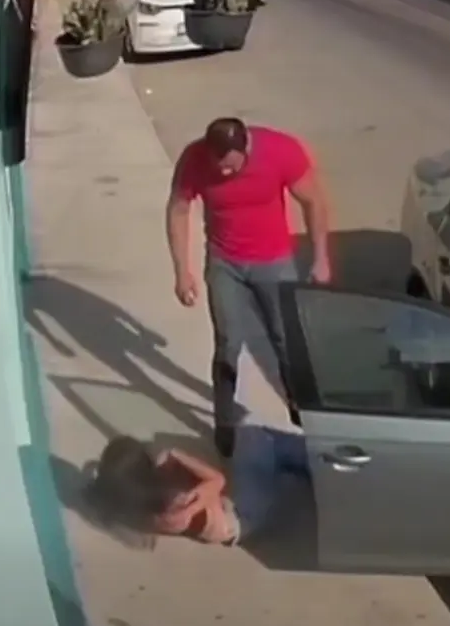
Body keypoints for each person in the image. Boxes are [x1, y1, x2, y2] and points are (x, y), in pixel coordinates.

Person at [166, 117, 332, 459]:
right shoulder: (195, 159)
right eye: (218, 166)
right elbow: (178, 210)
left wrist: (321, 257)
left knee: (286, 340)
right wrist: (182, 271)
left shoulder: (280, 151)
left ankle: (302, 413)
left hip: (274, 262)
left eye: (230, 166)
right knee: (228, 341)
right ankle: (225, 424)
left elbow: (313, 200)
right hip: (225, 262)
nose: (224, 173)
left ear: (246, 149)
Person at [85, 436, 235, 548]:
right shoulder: (177, 501)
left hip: (212, 515)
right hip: (230, 520)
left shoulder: (136, 507)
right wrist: (178, 455)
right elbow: (218, 480)